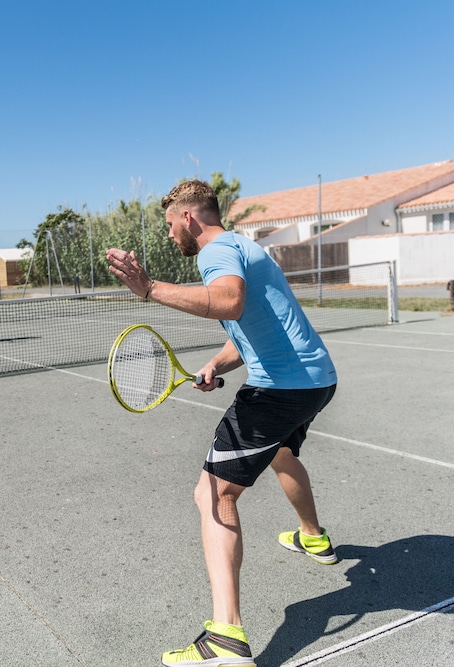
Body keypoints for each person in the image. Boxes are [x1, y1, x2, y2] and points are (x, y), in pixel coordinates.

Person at [106, 180, 339, 667]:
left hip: (281, 389)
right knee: (280, 453)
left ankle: (225, 638)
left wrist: (149, 289)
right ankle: (313, 536)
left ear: (188, 218)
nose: (169, 234)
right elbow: (250, 326)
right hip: (315, 379)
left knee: (212, 494)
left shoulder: (214, 253)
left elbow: (228, 300)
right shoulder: (240, 246)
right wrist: (216, 363)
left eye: (170, 224)